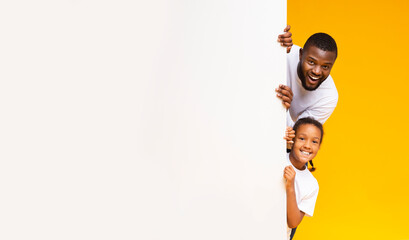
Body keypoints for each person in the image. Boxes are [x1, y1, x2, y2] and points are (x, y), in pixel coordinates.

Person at [276, 30, 338, 127]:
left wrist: (283, 110)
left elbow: (299, 137)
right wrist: (275, 39)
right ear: (300, 55)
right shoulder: (285, 53)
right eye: (311, 62)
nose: (317, 71)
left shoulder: (328, 97)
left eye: (325, 67)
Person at [283, 117, 323, 240]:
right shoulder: (277, 157)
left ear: (319, 147)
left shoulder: (312, 184)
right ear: (292, 140)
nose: (307, 145)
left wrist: (290, 187)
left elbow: (293, 222)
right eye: (302, 138)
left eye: (314, 142)